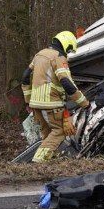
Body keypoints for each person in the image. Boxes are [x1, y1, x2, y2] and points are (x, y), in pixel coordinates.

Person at [22, 31, 89, 162]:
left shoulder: (39, 55)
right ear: (66, 44)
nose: (68, 53)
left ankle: (48, 163)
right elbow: (67, 83)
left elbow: (25, 78)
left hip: (36, 105)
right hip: (51, 104)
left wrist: (28, 101)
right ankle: (39, 162)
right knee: (59, 132)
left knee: (47, 136)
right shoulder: (58, 57)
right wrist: (84, 103)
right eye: (69, 50)